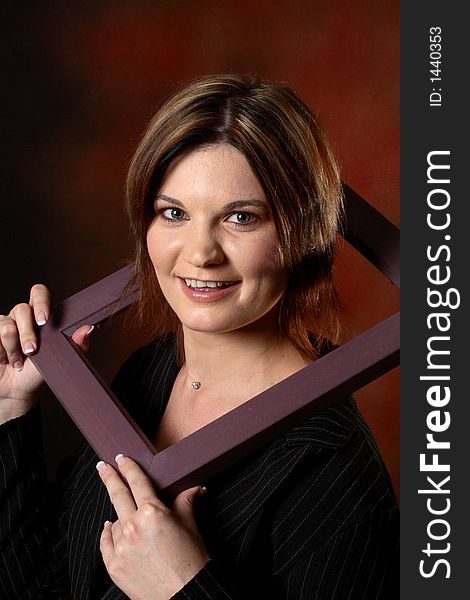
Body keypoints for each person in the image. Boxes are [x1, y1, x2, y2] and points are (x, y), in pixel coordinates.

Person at [0, 74, 399, 599]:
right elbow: (44, 587)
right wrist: (10, 407)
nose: (199, 253)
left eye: (241, 217)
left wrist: (186, 589)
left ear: (302, 234)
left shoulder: (336, 475)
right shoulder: (148, 373)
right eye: (174, 213)